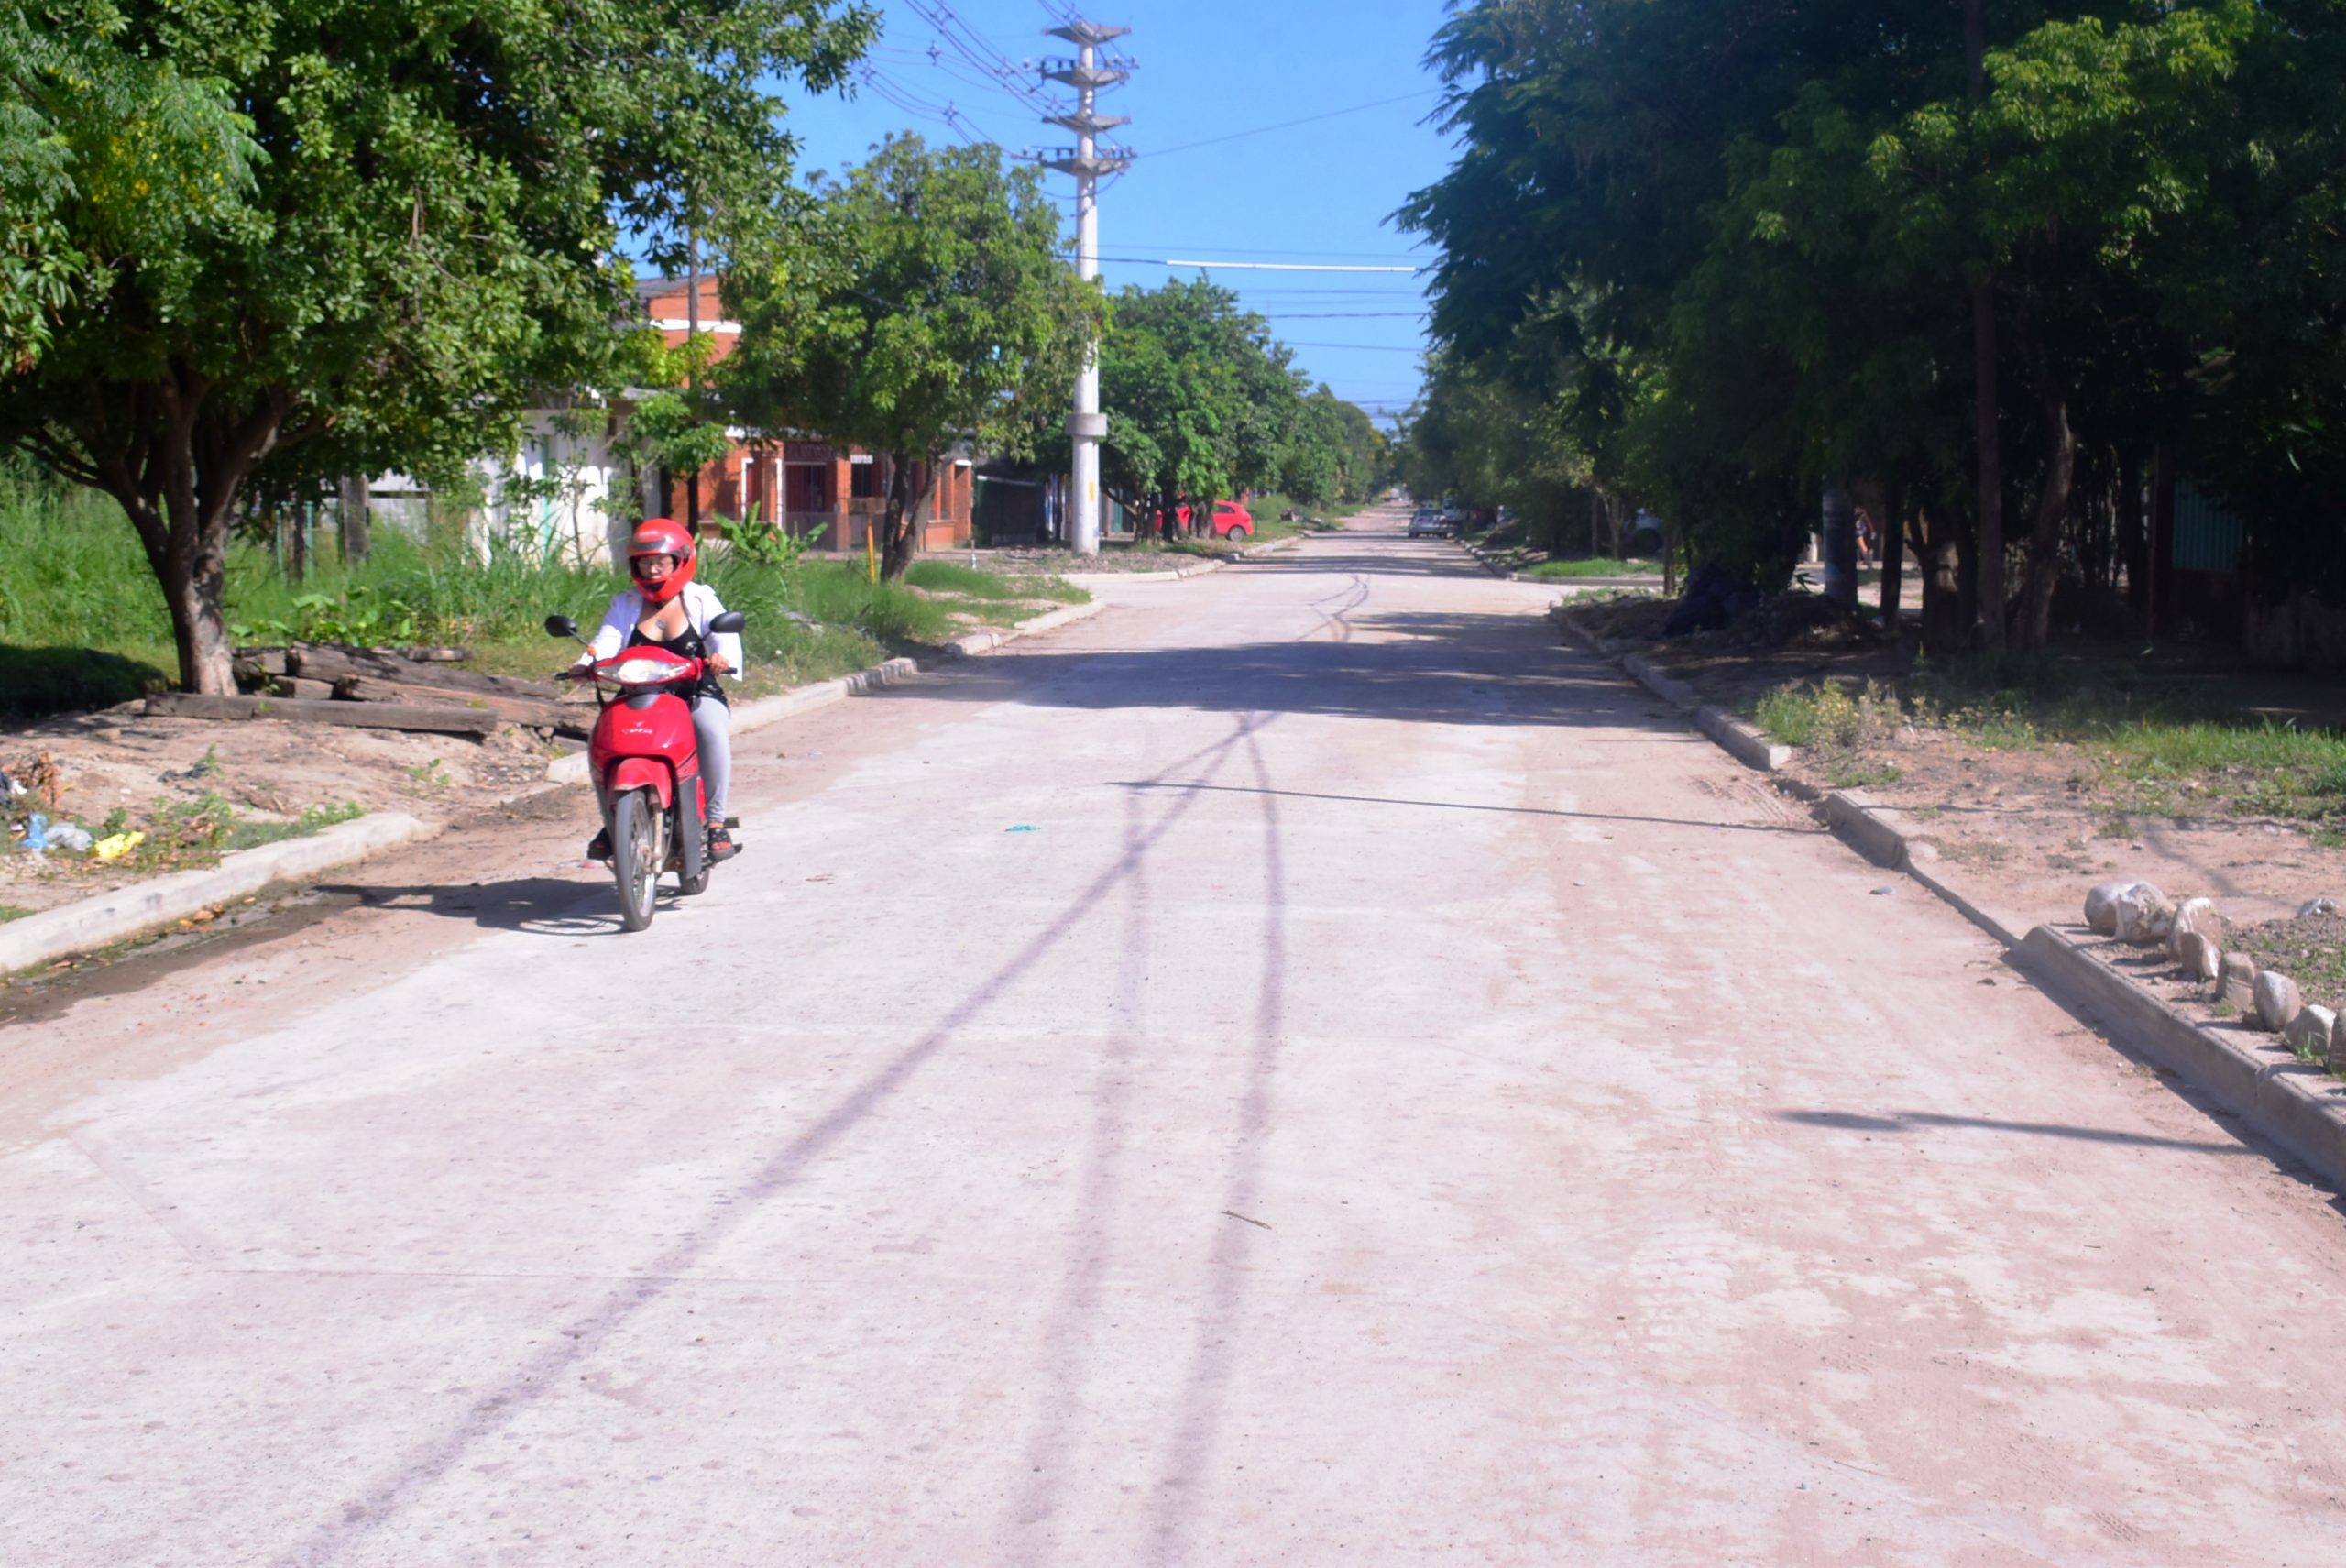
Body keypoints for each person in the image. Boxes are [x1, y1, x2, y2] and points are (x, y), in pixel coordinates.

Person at [562, 518, 743, 862]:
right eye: (644, 561)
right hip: (638, 692)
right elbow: (606, 641)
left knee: (710, 729)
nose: (653, 568)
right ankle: (613, 817)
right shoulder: (625, 603)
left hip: (694, 691)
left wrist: (722, 658)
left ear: (681, 560)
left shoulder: (701, 598)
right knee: (604, 739)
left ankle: (716, 820)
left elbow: (725, 637)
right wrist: (587, 664)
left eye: (661, 561)